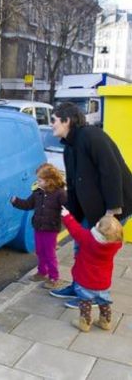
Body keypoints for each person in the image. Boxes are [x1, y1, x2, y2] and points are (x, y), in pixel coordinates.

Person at [49, 102, 132, 308]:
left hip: (113, 206)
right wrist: (70, 213)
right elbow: (76, 183)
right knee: (81, 246)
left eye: (54, 120)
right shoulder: (69, 145)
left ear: (67, 120)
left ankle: (93, 297)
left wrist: (112, 212)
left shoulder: (92, 136)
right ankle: (79, 286)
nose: (51, 125)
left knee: (94, 254)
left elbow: (111, 170)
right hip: (93, 208)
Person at [61, 207, 123, 332]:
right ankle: (105, 321)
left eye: (99, 223)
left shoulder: (87, 238)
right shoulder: (115, 245)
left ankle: (85, 322)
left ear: (98, 228)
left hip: (85, 281)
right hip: (104, 283)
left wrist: (67, 215)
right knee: (104, 302)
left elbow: (75, 229)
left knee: (85, 302)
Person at [11, 163, 67, 289]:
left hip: (51, 229)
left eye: (40, 180)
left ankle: (54, 278)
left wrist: (68, 218)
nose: (38, 182)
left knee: (50, 253)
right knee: (40, 251)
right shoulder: (38, 193)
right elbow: (28, 205)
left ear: (50, 181)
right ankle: (42, 272)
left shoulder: (60, 194)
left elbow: (67, 209)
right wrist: (16, 201)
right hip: (38, 227)